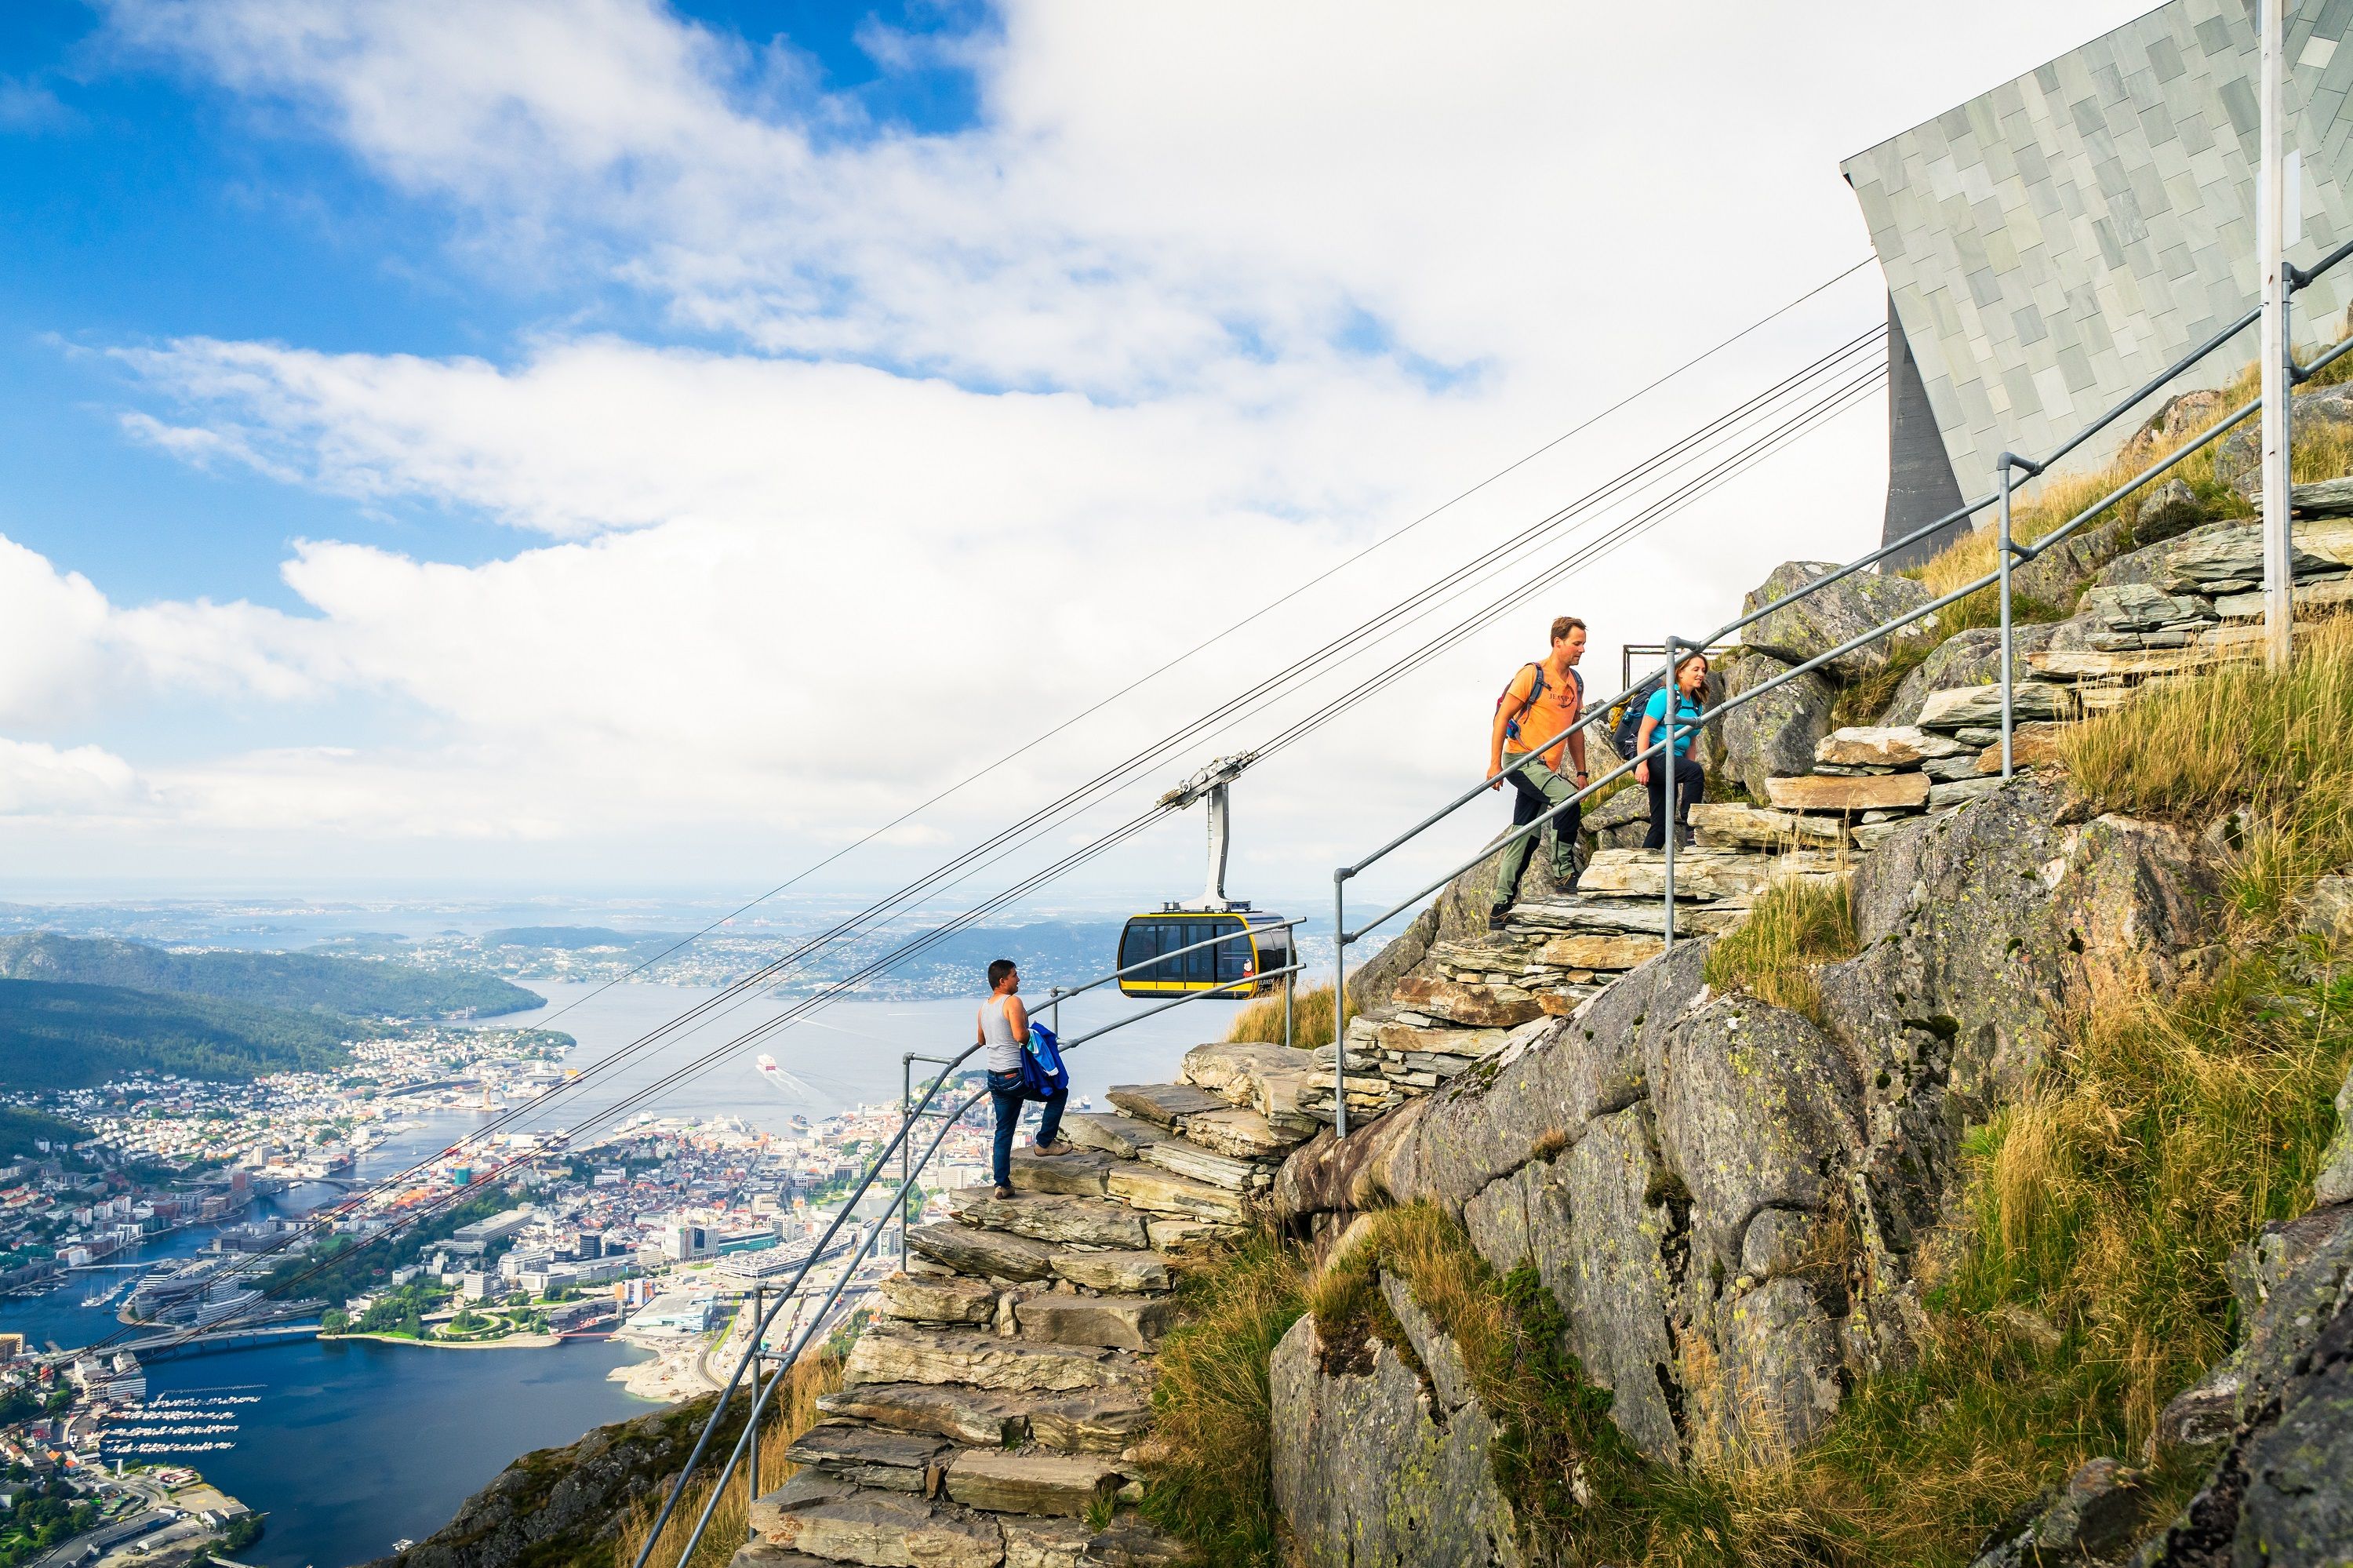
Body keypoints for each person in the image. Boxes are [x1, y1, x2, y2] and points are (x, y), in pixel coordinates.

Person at [1486, 616, 1591, 930]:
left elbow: (1575, 730)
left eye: (1584, 643)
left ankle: (1500, 907)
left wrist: (1582, 770)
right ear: (1558, 642)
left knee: (1525, 836)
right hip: (1521, 759)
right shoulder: (1532, 674)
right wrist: (1494, 764)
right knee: (1569, 799)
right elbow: (1503, 717)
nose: (1582, 650)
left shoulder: (1575, 682)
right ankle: (1564, 872)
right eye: (1577, 643)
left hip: (1546, 768)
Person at [978, 959, 1067, 1199]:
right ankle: (1045, 1142)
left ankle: (1002, 1184)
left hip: (994, 1077)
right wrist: (1036, 1034)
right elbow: (1020, 1035)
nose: (1019, 979)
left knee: (1004, 1130)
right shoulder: (1012, 1002)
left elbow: (981, 1040)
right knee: (1059, 1092)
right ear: (1003, 980)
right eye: (1015, 975)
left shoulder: (985, 1007)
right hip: (1013, 1075)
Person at [1635, 652, 1709, 850]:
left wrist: (1688, 770)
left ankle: (1639, 866)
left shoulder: (1696, 704)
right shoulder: (1665, 696)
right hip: (1655, 758)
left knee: (1661, 825)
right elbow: (1644, 731)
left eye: (1703, 670)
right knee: (1695, 771)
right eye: (1695, 669)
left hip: (1673, 762)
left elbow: (1691, 742)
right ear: (1680, 672)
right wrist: (1641, 765)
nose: (1701, 674)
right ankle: (1691, 827)